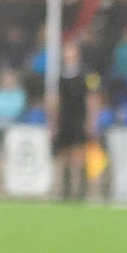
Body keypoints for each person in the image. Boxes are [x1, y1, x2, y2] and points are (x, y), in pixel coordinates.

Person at [51, 44, 98, 201]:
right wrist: (54, 122)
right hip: (65, 118)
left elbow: (92, 98)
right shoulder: (61, 75)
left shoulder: (87, 73)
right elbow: (57, 99)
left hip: (80, 117)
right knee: (64, 155)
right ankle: (66, 191)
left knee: (80, 155)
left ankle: (82, 191)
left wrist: (91, 121)